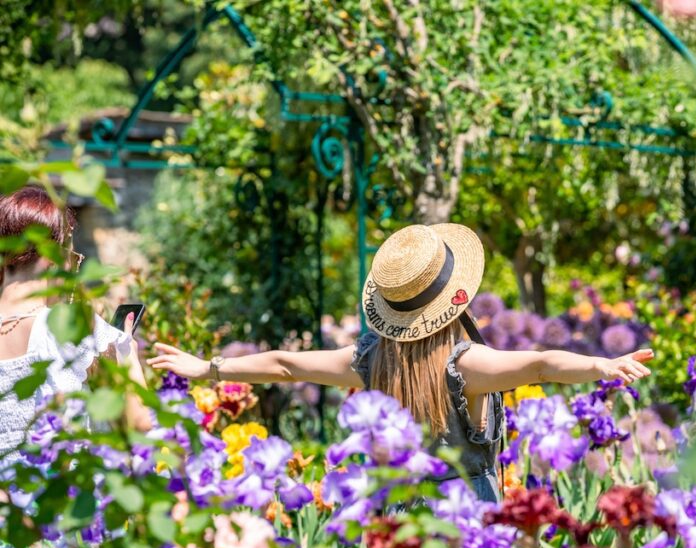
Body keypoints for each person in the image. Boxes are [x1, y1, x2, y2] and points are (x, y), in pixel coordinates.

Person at [149, 222, 653, 502]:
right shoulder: (466, 365)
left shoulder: (371, 359)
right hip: (461, 515)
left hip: (398, 517)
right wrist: (604, 368)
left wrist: (205, 368)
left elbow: (285, 365)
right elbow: (541, 365)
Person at [0, 186, 151, 452]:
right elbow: (141, 424)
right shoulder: (73, 325)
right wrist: (128, 354)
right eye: (73, 258)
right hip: (61, 490)